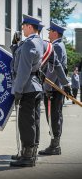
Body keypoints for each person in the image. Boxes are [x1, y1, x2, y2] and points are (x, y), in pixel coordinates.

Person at [9, 14, 44, 167]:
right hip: (34, 86)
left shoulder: (30, 44)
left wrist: (17, 90)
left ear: (30, 26)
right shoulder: (36, 41)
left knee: (26, 122)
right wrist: (15, 45)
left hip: (27, 87)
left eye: (23, 25)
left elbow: (23, 69)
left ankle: (28, 156)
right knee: (33, 121)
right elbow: (20, 59)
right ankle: (29, 152)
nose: (22, 28)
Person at [39, 22, 72, 156]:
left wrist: (47, 86)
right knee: (54, 116)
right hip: (55, 87)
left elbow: (53, 69)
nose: (48, 33)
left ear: (55, 33)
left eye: (50, 31)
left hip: (53, 88)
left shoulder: (57, 46)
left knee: (53, 117)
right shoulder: (58, 45)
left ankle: (55, 146)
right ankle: (55, 144)